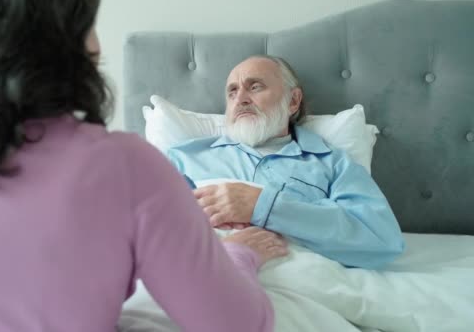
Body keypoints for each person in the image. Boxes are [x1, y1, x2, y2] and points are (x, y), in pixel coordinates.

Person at [0, 0, 281, 331]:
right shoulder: (134, 166)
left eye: (255, 87)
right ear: (73, 47)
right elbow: (239, 324)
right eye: (89, 26)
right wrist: (238, 253)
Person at [166, 55, 405, 269]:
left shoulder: (333, 164)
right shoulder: (183, 158)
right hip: (204, 280)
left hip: (302, 290)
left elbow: (382, 240)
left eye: (255, 86)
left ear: (293, 101)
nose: (240, 99)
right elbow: (149, 236)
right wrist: (227, 253)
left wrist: (264, 206)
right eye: (232, 91)